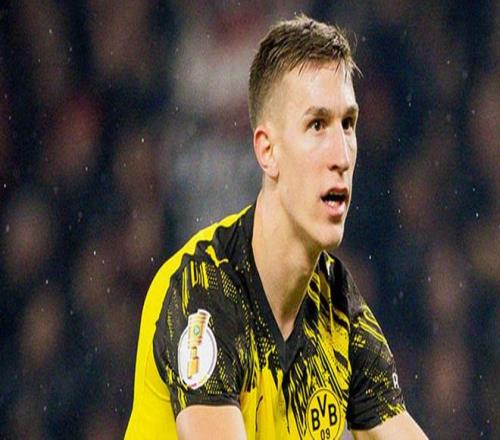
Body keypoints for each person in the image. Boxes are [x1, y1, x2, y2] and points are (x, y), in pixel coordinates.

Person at [125, 14, 427, 440]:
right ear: (267, 151)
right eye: (317, 125)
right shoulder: (203, 290)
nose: (341, 155)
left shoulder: (337, 307)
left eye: (348, 124)